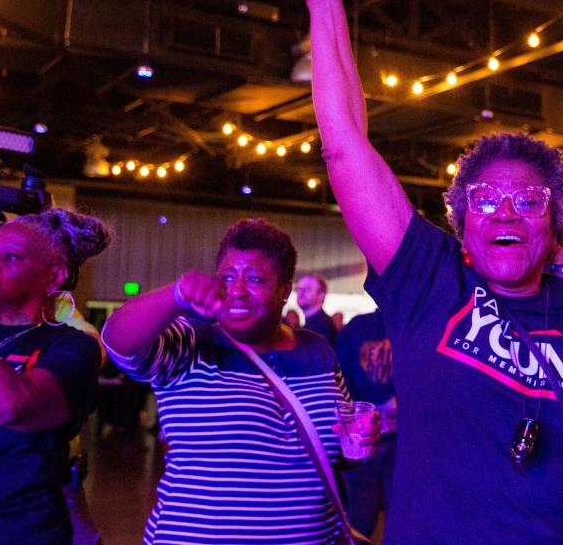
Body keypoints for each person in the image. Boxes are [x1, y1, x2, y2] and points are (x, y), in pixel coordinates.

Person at [287, 0, 563, 544]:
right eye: (486, 200)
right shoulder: (430, 280)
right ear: (461, 223)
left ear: (558, 226)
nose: (505, 212)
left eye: (528, 201)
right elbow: (345, 148)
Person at [102, 218, 379, 545]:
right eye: (227, 277)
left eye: (255, 278)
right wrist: (175, 296)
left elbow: (334, 449)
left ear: (285, 289)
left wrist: (355, 443)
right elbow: (117, 340)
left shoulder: (316, 349)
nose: (236, 290)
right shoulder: (192, 343)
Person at [0, 209, 111, 543]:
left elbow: (13, 407)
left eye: (12, 257)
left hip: (20, 530)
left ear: (55, 278)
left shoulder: (74, 347)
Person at [334, 310, 396, 537]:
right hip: (366, 440)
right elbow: (340, 380)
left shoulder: (415, 323)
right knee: (361, 516)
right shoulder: (358, 327)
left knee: (399, 516)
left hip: (405, 442)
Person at [297, 273, 337, 343]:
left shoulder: (323, 327)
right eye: (299, 289)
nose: (301, 292)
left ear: (321, 295)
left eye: (308, 289)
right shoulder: (312, 323)